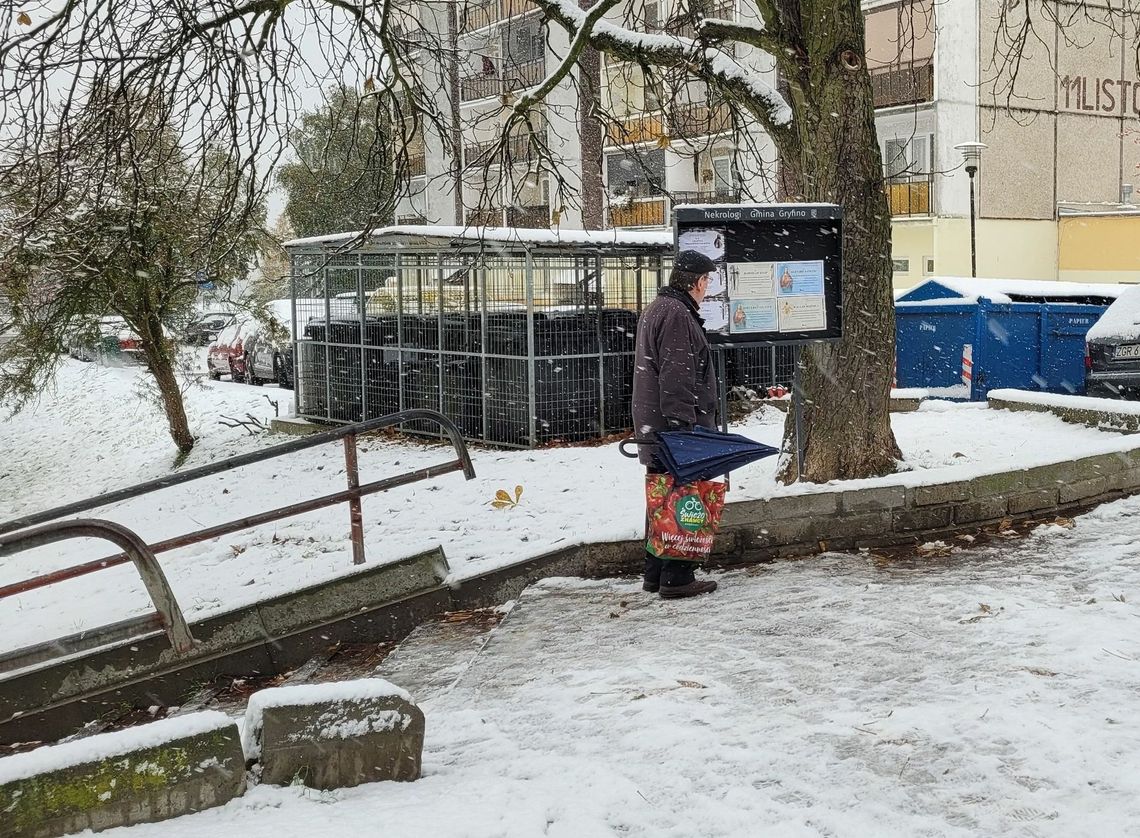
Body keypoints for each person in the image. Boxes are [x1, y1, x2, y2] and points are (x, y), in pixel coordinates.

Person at [632, 249, 720, 599]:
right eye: (707, 281)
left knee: (662, 497)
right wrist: (683, 429)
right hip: (673, 428)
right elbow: (677, 376)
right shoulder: (677, 314)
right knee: (682, 497)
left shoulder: (659, 308)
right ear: (697, 282)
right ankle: (677, 577)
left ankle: (655, 573)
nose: (707, 288)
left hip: (656, 425)